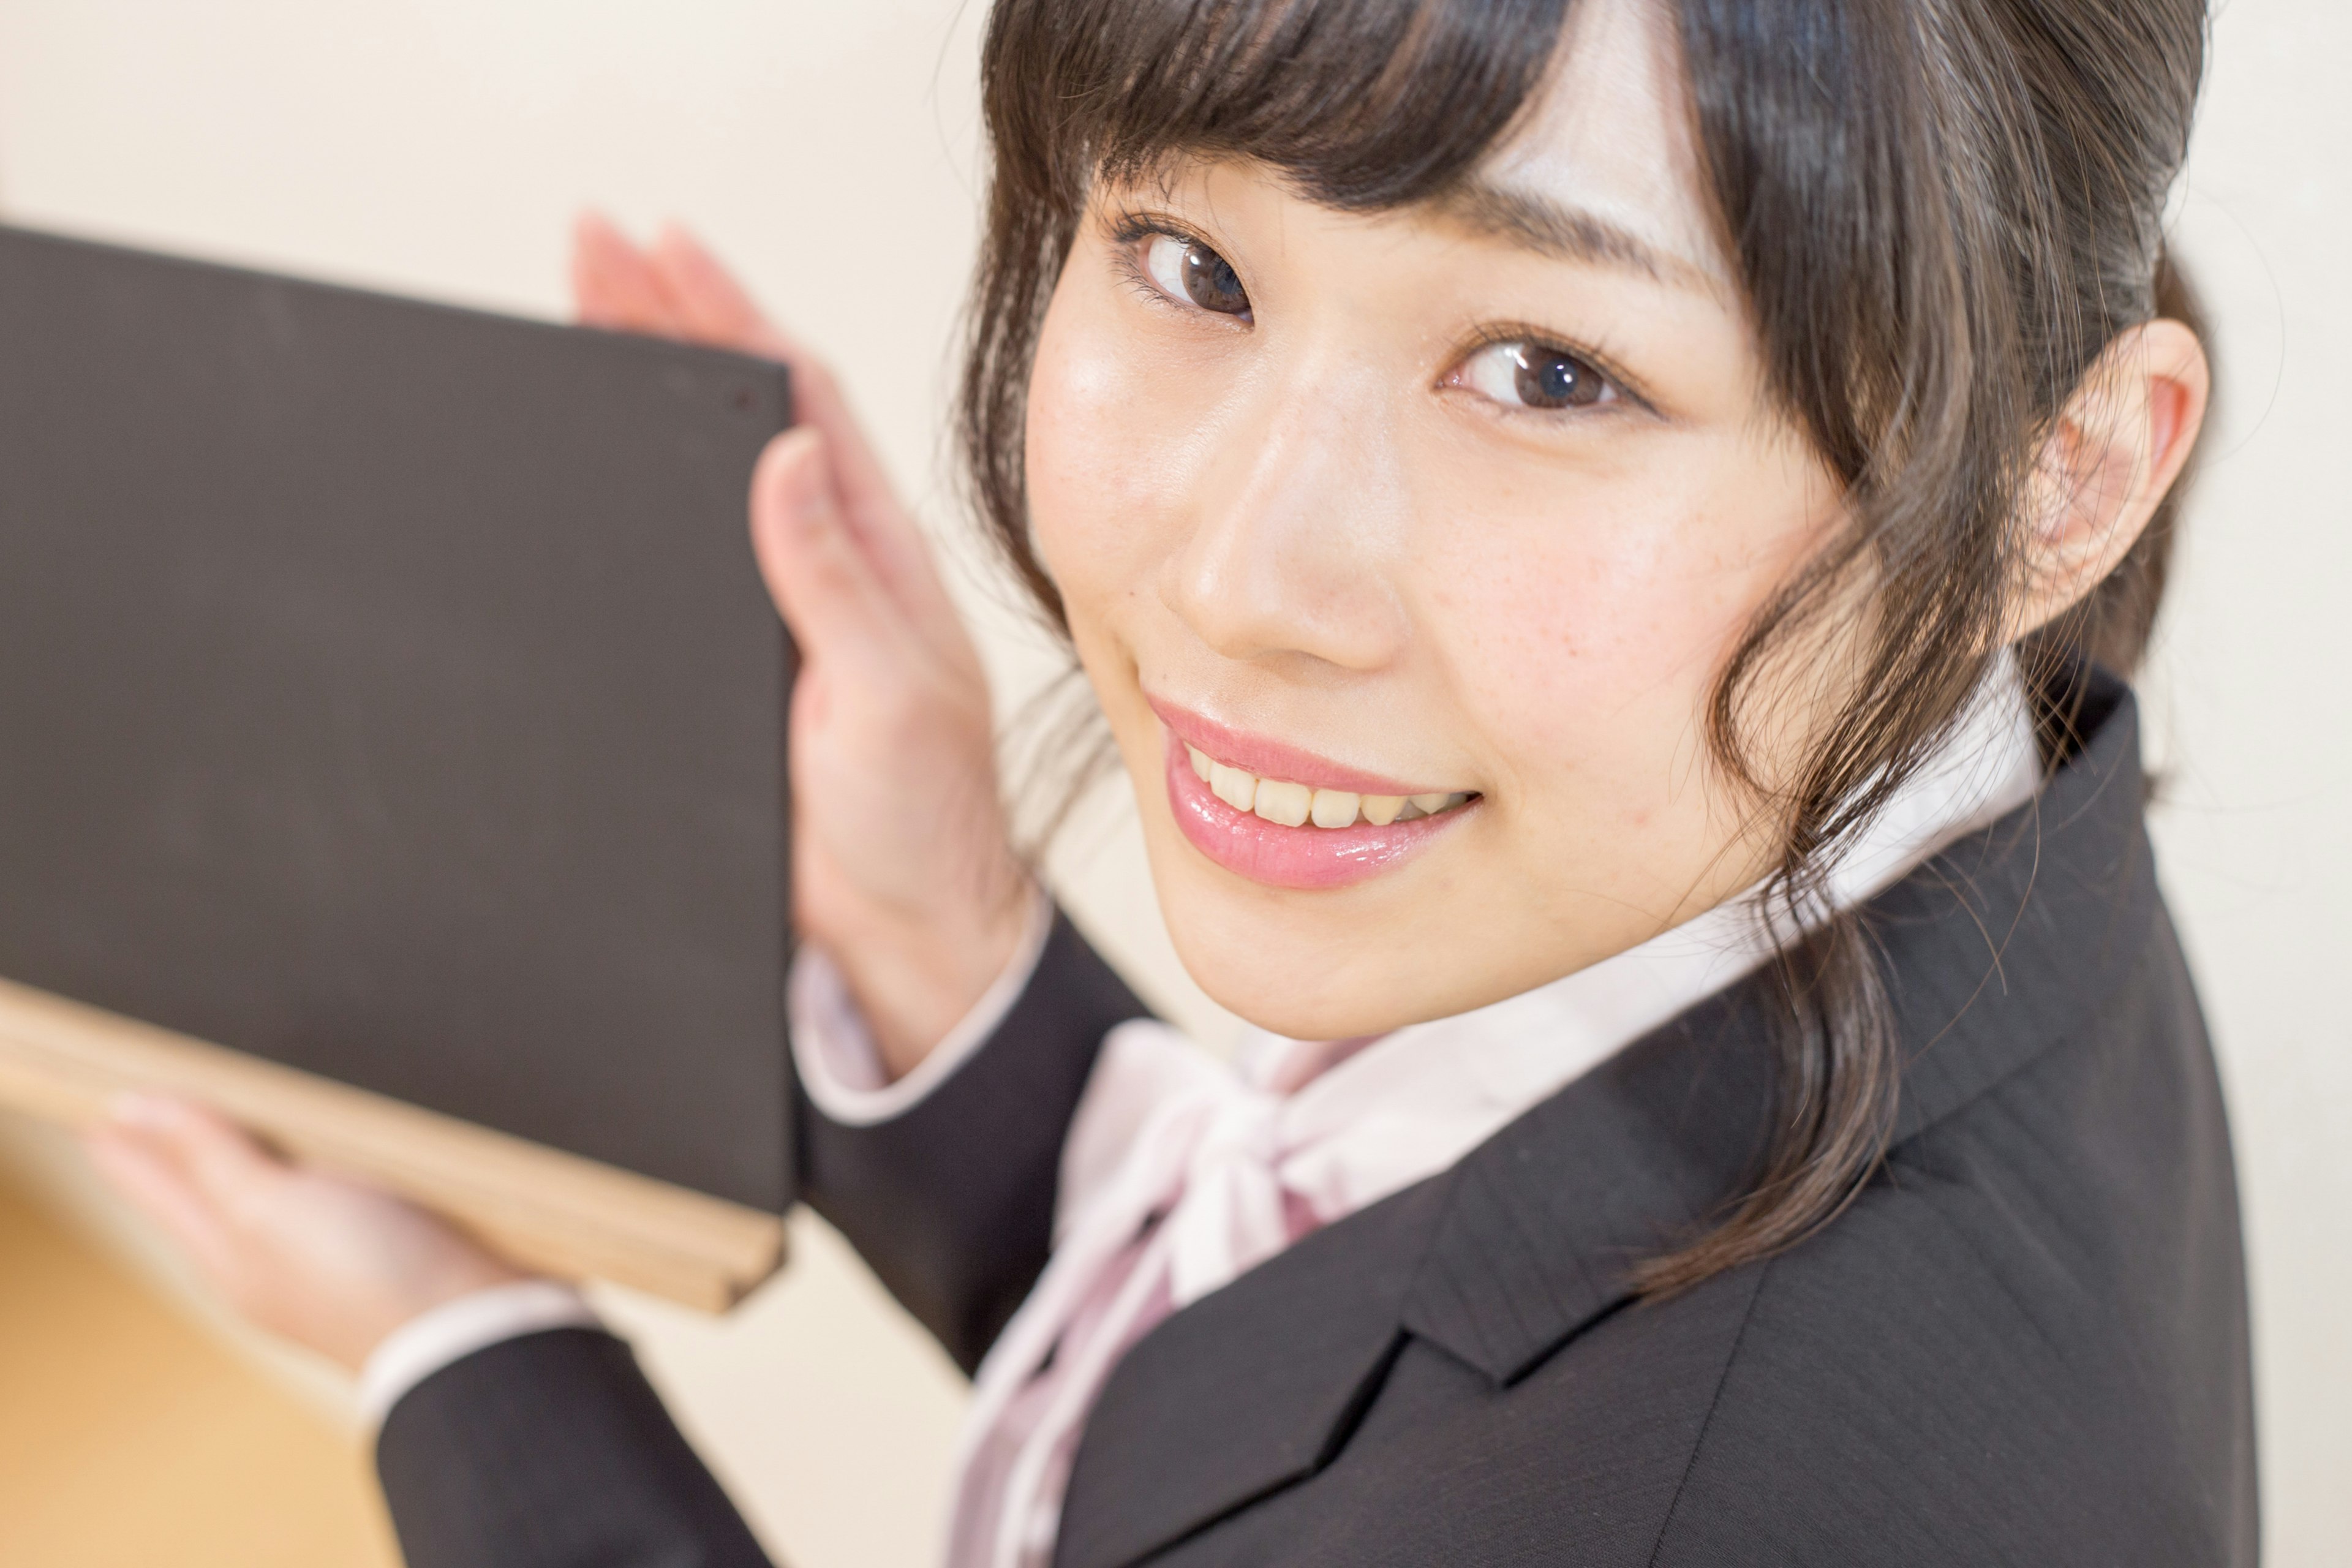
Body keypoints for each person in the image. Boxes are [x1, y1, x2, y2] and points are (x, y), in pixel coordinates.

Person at [88, 0, 2257, 1562]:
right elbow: (1322, 1362)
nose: (1242, 578)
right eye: (1189, 263)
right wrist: (942, 942)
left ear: (2058, 486)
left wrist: (462, 1363)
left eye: (1551, 369)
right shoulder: (1971, 850)